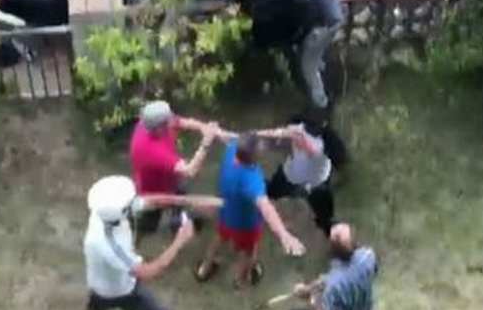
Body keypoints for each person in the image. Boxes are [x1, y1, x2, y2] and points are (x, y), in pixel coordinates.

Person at [71, 175, 209, 310]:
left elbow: (148, 202)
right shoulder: (108, 242)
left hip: (101, 284)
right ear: (121, 212)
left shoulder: (104, 213)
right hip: (119, 290)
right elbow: (147, 272)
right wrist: (180, 240)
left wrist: (182, 200)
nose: (135, 200)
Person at [195, 134, 306, 288]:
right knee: (248, 251)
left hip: (227, 211)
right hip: (246, 224)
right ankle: (241, 279)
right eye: (261, 150)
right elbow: (265, 206)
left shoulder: (233, 148)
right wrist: (284, 234)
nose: (264, 150)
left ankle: (204, 268)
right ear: (254, 157)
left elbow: (231, 136)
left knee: (220, 236)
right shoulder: (251, 179)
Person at [129, 101, 232, 241]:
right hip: (154, 193)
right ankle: (135, 243)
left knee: (180, 195)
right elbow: (190, 171)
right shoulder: (150, 149)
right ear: (159, 127)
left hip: (171, 179)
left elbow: (183, 122)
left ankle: (175, 224)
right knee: (148, 226)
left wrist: (208, 129)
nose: (173, 120)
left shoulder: (151, 123)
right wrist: (206, 143)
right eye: (169, 120)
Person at [259, 112, 344, 235]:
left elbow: (310, 150)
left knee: (324, 216)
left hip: (304, 180)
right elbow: (275, 137)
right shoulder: (319, 139)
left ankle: (333, 231)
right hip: (306, 179)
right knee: (273, 190)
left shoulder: (312, 141)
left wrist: (297, 137)